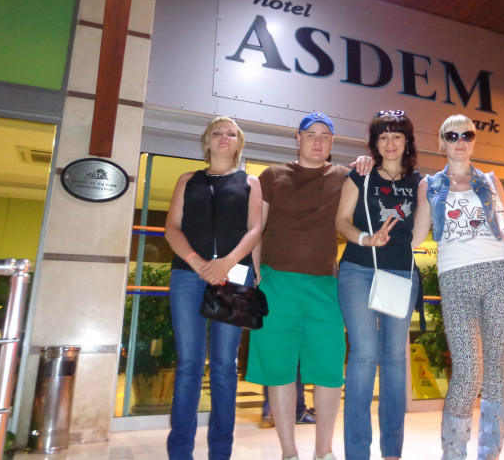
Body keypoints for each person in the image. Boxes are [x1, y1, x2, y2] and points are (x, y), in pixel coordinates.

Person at [413, 114, 504, 460]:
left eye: (467, 134)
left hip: (500, 274)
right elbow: (416, 236)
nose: (460, 140)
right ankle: (453, 454)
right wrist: (379, 248)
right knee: (468, 371)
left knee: (498, 370)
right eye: (452, 135)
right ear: (441, 142)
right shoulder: (429, 185)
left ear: (474, 140)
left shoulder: (490, 181)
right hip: (455, 278)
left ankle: (490, 454)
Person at [247, 112, 370, 460]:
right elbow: (256, 228)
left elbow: (369, 196)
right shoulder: (273, 175)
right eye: (311, 134)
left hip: (325, 286)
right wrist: (257, 275)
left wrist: (368, 162)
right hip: (276, 283)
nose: (318, 141)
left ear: (332, 143)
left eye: (325, 136)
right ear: (298, 138)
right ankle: (289, 452)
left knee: (329, 370)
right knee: (279, 369)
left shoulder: (344, 176)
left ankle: (323, 451)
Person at [164, 116, 262, 460]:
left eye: (231, 133)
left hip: (234, 276)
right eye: (217, 133)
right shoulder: (187, 180)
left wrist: (227, 263)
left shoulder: (250, 182)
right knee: (189, 364)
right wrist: (196, 261)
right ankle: (180, 452)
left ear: (239, 143)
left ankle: (221, 452)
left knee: (224, 365)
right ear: (206, 142)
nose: (224, 137)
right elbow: (172, 228)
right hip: (188, 275)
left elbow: (255, 230)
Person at [335, 110, 423, 460]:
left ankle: (392, 452)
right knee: (364, 353)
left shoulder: (419, 182)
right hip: (358, 269)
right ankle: (357, 452)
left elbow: (422, 227)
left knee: (394, 357)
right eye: (383, 137)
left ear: (407, 142)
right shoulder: (360, 175)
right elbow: (341, 220)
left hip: (400, 273)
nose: (390, 143)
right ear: (374, 143)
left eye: (396, 136)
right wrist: (365, 238)